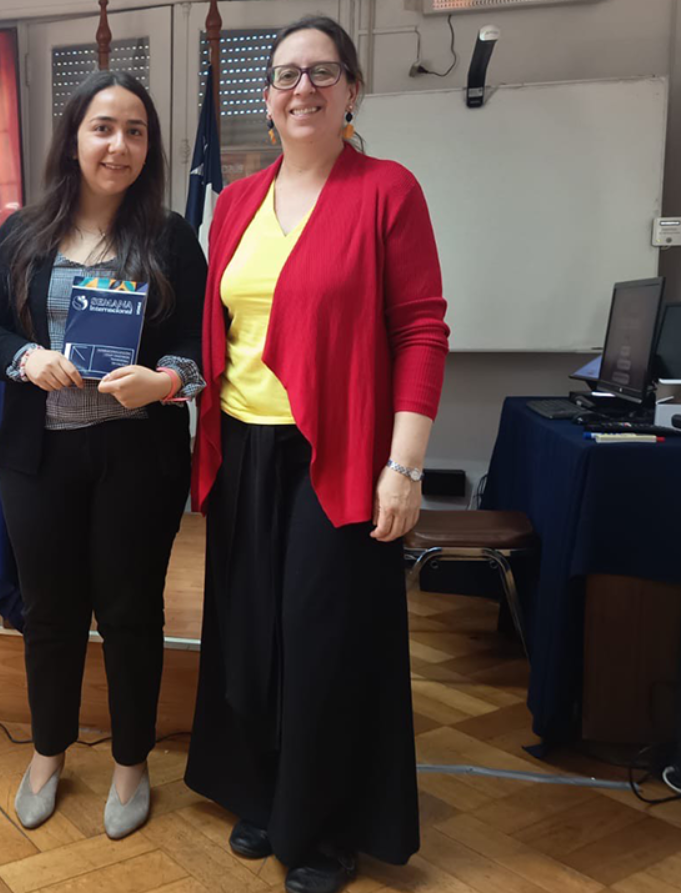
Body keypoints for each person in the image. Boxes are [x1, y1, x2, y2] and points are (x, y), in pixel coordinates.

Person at [185, 15, 450, 893]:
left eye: (323, 73)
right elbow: (224, 332)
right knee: (251, 636)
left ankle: (328, 822)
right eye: (288, 74)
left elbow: (420, 330)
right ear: (266, 99)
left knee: (323, 641)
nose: (304, 87)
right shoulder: (234, 203)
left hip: (337, 455)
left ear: (352, 92)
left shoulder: (386, 190)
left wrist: (403, 464)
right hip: (241, 450)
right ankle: (266, 793)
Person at [0, 70, 206, 840]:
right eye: (104, 127)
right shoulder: (23, 233)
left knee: (131, 614)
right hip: (39, 461)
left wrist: (167, 379)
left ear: (149, 147)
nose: (119, 144)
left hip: (139, 462)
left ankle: (132, 763)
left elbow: (202, 348)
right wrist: (25, 358)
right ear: (74, 137)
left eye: (136, 131)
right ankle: (47, 753)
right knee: (50, 615)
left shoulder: (169, 236)